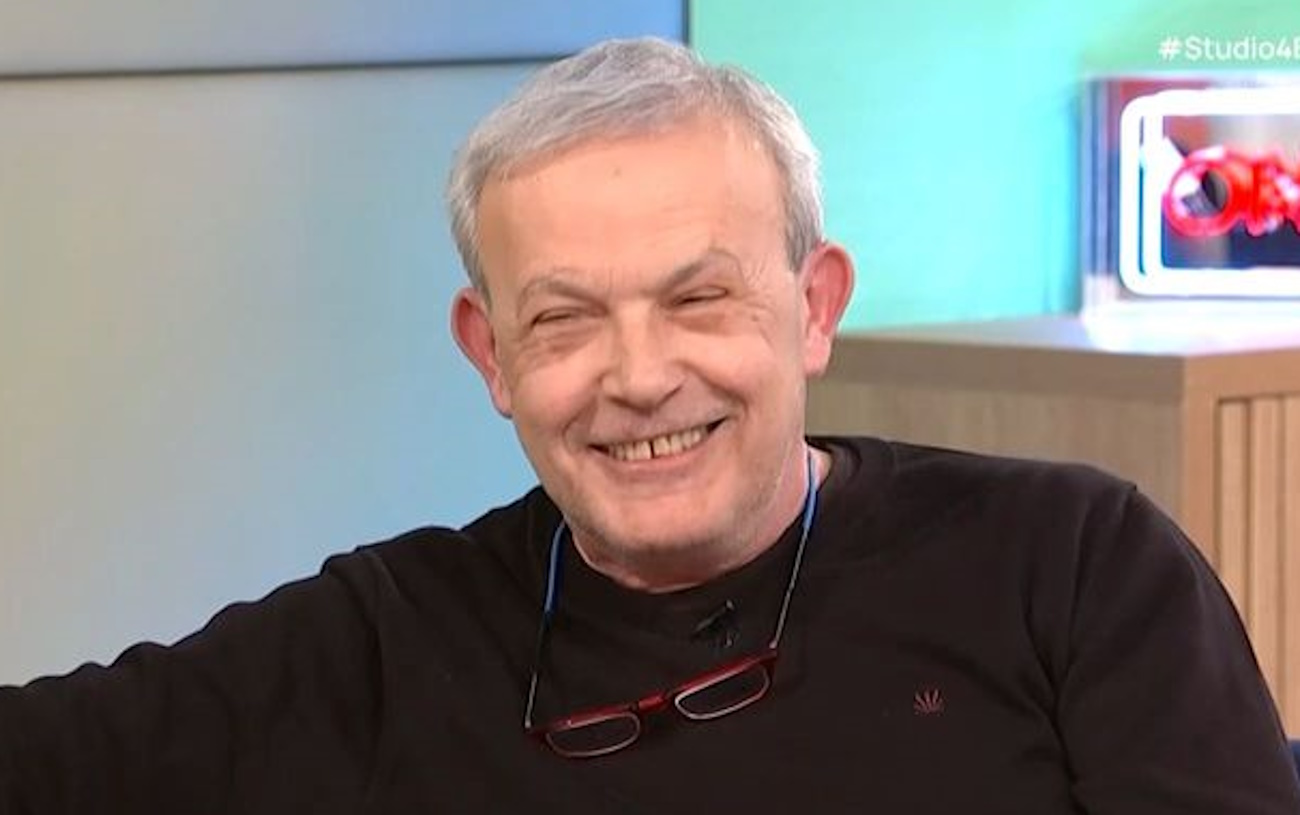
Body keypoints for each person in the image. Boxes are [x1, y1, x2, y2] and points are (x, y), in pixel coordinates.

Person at [2, 36, 1299, 814]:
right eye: (564, 321)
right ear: (491, 354)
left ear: (813, 308)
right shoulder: (384, 639)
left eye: (698, 299)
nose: (638, 377)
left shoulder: (1073, 565)